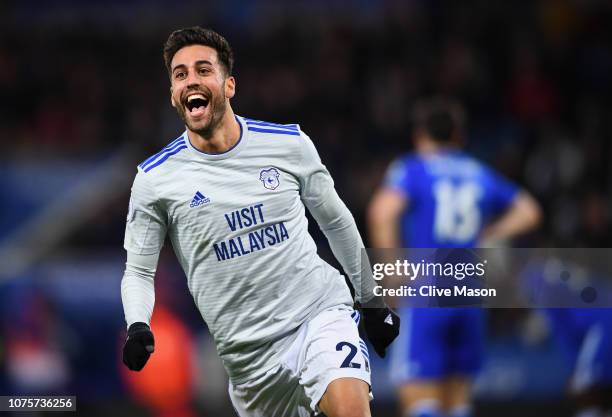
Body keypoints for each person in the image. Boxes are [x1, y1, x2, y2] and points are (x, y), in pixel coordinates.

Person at [120, 26, 399, 417]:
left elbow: (336, 222)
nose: (191, 80)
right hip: (248, 361)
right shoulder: (155, 179)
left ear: (229, 85)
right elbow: (138, 271)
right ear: (173, 95)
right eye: (180, 75)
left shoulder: (288, 145)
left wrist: (370, 299)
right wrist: (138, 325)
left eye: (203, 70)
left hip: (317, 315)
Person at [367, 98, 541, 417]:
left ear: (420, 135)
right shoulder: (478, 171)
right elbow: (530, 211)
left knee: (419, 397)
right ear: (459, 136)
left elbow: (381, 212)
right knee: (458, 401)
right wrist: (489, 234)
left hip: (427, 287)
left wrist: (392, 271)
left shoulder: (413, 168)